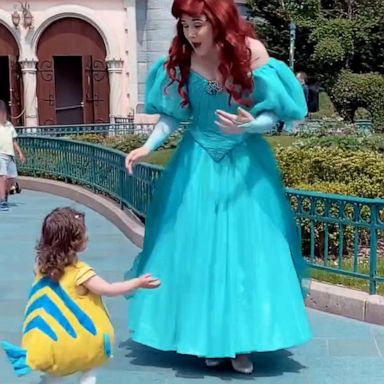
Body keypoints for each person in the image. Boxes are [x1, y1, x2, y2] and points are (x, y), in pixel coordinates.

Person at [125, 0, 312, 375]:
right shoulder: (179, 60)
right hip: (196, 164)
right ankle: (208, 338)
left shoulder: (251, 53)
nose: (191, 34)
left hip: (244, 165)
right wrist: (147, 147)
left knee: (245, 254)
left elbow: (273, 112)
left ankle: (241, 344)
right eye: (185, 26)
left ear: (219, 22)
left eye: (198, 25)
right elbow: (172, 116)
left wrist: (250, 125)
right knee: (198, 251)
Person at [2, 207, 160, 384]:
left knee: (55, 372)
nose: (88, 236)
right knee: (90, 366)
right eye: (84, 233)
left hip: (53, 341)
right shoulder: (81, 273)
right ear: (74, 243)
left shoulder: (41, 266)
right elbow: (109, 289)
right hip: (78, 341)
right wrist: (138, 283)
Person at [0, 99, 25, 211]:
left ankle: (4, 195)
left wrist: (20, 153)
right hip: (0, 155)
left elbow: (14, 141)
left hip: (10, 155)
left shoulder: (9, 125)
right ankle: (2, 201)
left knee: (12, 178)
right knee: (3, 177)